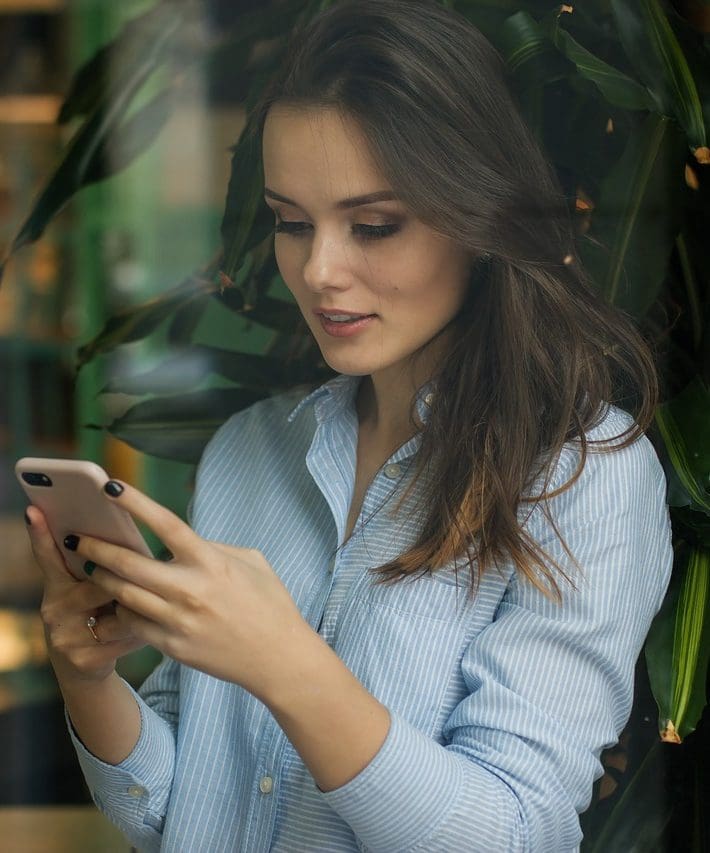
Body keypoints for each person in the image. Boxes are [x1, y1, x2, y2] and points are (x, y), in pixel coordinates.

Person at [25, 1, 673, 850]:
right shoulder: (252, 449)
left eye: (373, 225)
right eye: (292, 223)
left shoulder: (582, 475)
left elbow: (514, 833)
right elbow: (174, 810)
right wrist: (89, 676)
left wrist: (286, 665)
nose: (319, 269)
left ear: (475, 217)